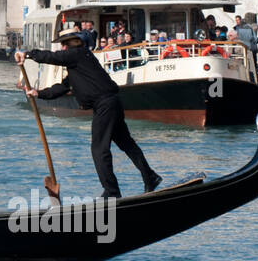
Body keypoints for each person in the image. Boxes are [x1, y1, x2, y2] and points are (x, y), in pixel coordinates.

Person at [16, 26, 162, 198]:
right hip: (110, 103)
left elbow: (52, 57)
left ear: (72, 43)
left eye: (64, 44)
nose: (62, 48)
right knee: (126, 144)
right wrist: (39, 93)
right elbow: (62, 87)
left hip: (105, 105)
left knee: (99, 150)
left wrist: (28, 54)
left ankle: (112, 192)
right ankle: (150, 177)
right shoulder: (77, 63)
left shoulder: (77, 53)